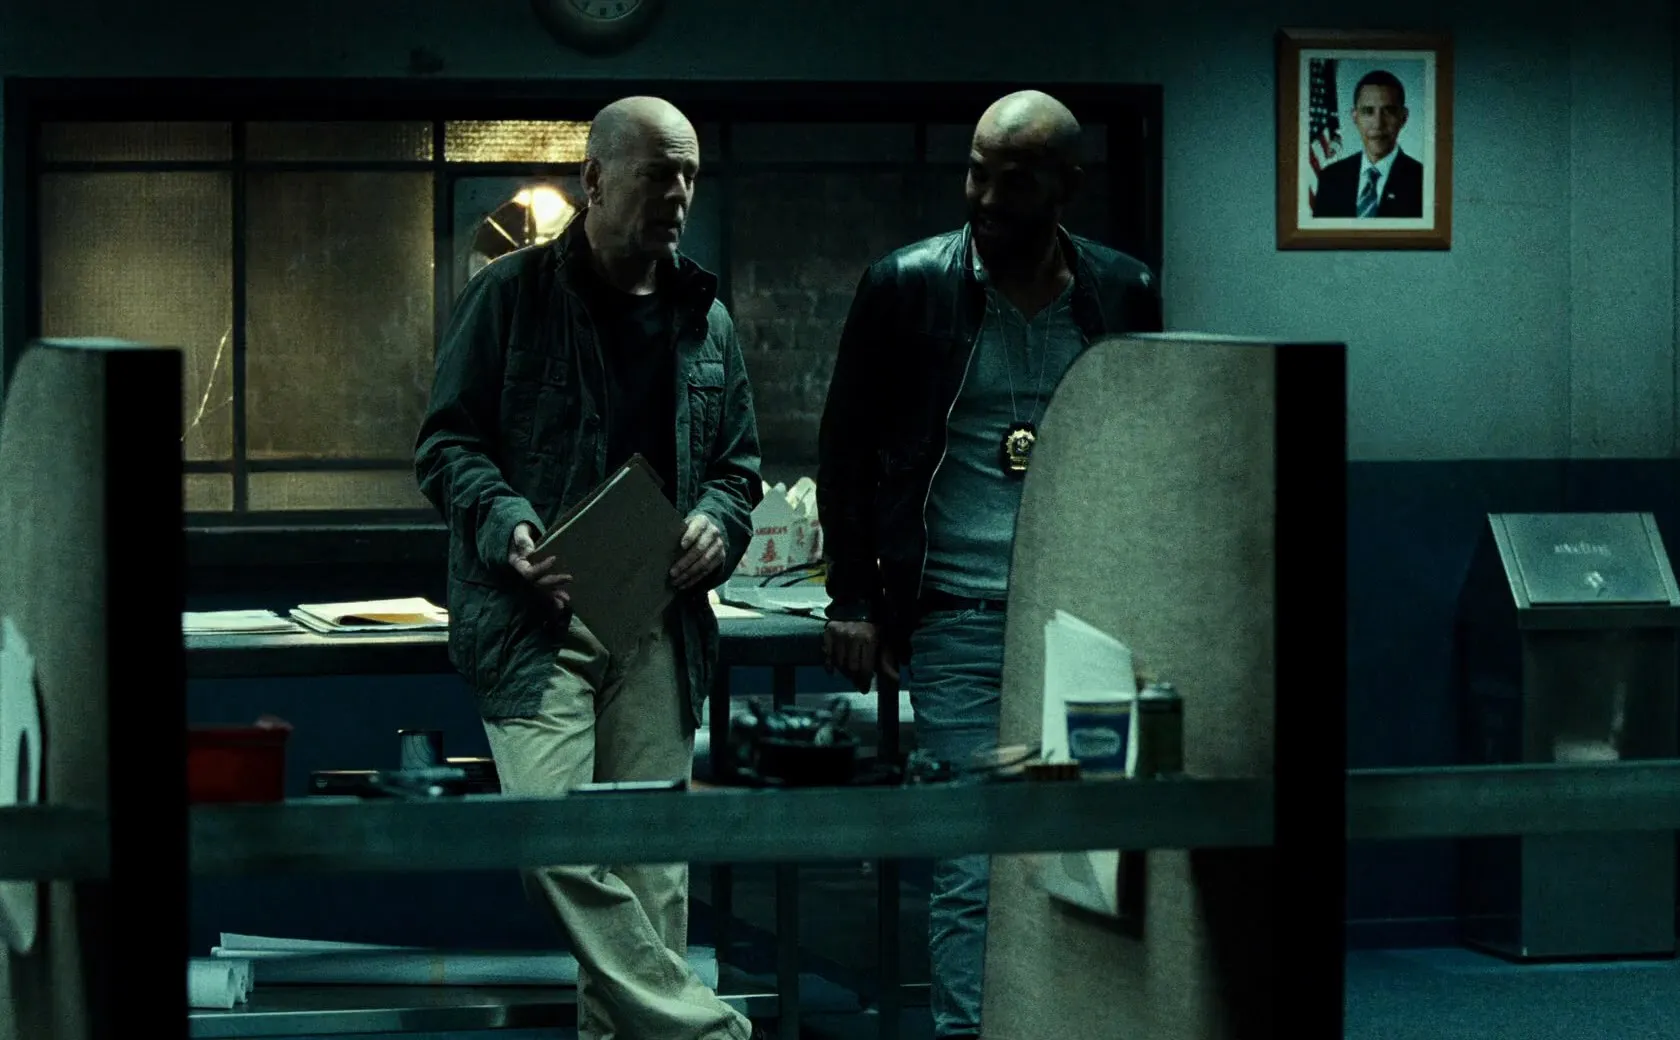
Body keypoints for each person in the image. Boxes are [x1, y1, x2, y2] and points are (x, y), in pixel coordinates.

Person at [814, 89, 1163, 1040]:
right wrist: (855, 597)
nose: (986, 197)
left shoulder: (1122, 292)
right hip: (960, 617)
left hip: (1092, 621)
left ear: (1066, 185)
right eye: (977, 172)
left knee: (1094, 857)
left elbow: (1153, 452)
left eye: (1014, 179)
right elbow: (846, 451)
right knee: (971, 861)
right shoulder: (906, 286)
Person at [414, 96, 765, 1040]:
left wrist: (718, 521)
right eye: (657, 174)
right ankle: (704, 1028)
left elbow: (738, 467)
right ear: (595, 179)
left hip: (657, 620)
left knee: (653, 875)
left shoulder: (705, 320)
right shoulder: (510, 295)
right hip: (538, 623)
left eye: (689, 176)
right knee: (555, 844)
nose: (677, 195)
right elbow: (446, 446)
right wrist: (508, 523)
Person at [1310, 69, 1426, 218]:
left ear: (1403, 117)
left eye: (1388, 111)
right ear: (1355, 117)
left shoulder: (1423, 180)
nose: (1378, 124)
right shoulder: (1330, 178)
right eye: (1368, 111)